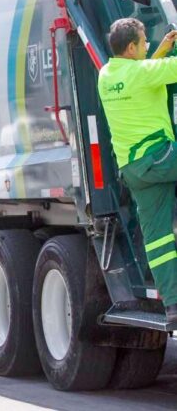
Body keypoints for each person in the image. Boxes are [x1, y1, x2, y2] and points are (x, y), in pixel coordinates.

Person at [97, 18, 177, 323]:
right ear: (131, 47)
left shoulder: (106, 75)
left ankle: (172, 306)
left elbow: (141, 76)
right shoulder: (143, 73)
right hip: (160, 159)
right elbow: (151, 74)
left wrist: (160, 51)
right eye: (144, 42)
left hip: (133, 170)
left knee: (157, 239)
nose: (147, 46)